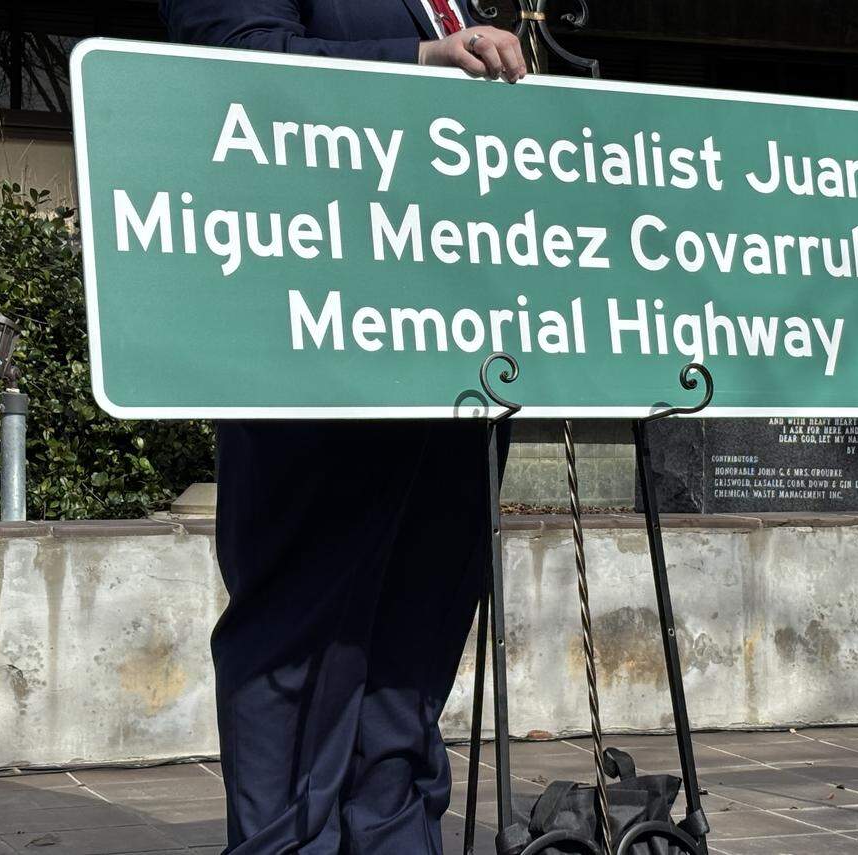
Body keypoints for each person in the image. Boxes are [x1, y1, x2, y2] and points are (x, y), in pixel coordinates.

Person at [158, 2, 527, 852]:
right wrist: (419, 58)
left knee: (418, 633)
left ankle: (395, 828)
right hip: (314, 330)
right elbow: (228, 55)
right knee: (301, 631)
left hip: (453, 343)